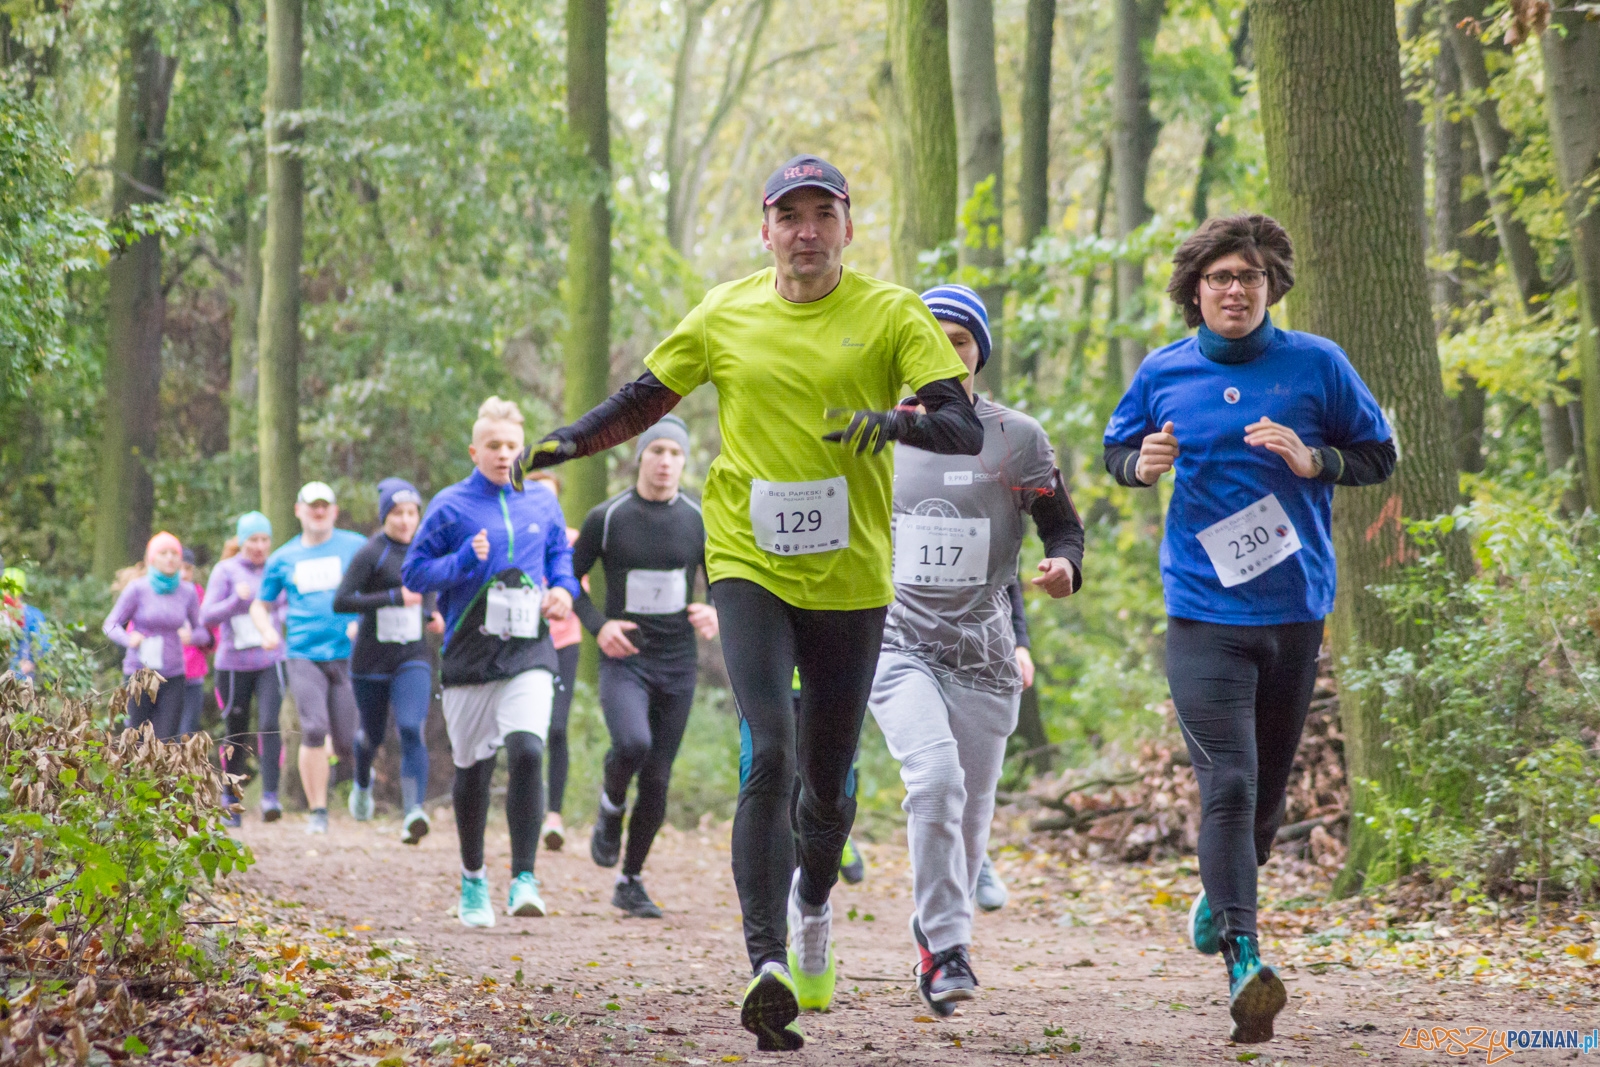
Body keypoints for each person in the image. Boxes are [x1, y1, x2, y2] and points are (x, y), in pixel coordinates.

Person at [515, 154, 982, 1051]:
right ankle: (765, 961)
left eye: (823, 214)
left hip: (850, 576)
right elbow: (646, 397)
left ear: (848, 225)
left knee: (830, 786)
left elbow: (961, 423)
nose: (806, 231)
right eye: (789, 216)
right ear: (764, 228)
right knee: (769, 750)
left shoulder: (892, 314)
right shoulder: (727, 310)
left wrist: (898, 422)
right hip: (747, 559)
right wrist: (570, 440)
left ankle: (812, 905)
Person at [1102, 214, 1396, 1044]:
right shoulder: (1164, 371)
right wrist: (1139, 465)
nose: (1236, 290)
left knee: (1263, 796)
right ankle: (1245, 958)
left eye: (1250, 277)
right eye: (1221, 278)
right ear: (1196, 291)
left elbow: (1378, 454)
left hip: (1295, 609)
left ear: (1271, 288)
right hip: (1202, 612)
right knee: (1226, 783)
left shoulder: (1317, 365)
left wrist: (1316, 460)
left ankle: (1222, 894)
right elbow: (1117, 450)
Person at [867, 284, 1084, 1017]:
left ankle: (932, 931)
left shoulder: (1016, 437)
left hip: (986, 655)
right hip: (897, 645)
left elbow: (1064, 529)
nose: (944, 350)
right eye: (928, 337)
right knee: (932, 780)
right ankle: (950, 946)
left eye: (958, 340)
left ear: (977, 354)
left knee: (968, 817)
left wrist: (1063, 567)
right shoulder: (880, 433)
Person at [401, 397, 580, 928]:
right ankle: (473, 877)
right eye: (495, 446)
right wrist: (462, 562)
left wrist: (564, 593)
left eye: (512, 446)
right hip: (468, 652)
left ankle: (524, 877)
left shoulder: (542, 504)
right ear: (475, 450)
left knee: (528, 748)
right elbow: (414, 574)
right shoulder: (451, 506)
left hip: (529, 648)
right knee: (473, 770)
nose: (505, 455)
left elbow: (560, 562)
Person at [570, 414, 718, 918]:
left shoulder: (698, 519)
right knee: (632, 743)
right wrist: (598, 626)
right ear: (641, 459)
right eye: (657, 451)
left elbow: (721, 577)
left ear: (683, 462)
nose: (665, 462)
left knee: (658, 777)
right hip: (624, 659)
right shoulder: (607, 518)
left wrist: (714, 609)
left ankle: (630, 879)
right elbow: (567, 578)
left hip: (677, 662)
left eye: (675, 454)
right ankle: (610, 807)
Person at [251, 482, 367, 835]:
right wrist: (266, 630)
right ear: (299, 510)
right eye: (312, 506)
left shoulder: (356, 547)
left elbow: (379, 586)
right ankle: (318, 811)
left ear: (333, 511)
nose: (318, 512)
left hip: (347, 655)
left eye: (325, 506)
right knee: (314, 728)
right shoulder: (283, 558)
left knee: (348, 740)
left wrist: (363, 623)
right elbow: (261, 603)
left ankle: (360, 783)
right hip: (302, 653)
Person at [334, 478, 445, 842]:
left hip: (412, 656)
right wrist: (393, 598)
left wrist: (430, 613)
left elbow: (427, 589)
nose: (405, 520)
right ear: (385, 516)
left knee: (412, 728)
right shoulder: (371, 553)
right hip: (370, 660)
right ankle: (362, 783)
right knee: (371, 735)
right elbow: (342, 601)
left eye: (412, 512)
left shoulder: (425, 549)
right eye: (397, 513)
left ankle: (413, 811)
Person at [203, 512, 288, 823]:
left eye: (265, 539)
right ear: (241, 541)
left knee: (269, 723)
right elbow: (206, 616)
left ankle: (270, 797)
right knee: (236, 730)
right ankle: (231, 800)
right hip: (233, 665)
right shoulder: (226, 570)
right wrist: (234, 603)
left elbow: (290, 607)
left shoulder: (277, 568)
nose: (260, 546)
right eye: (253, 539)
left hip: (271, 661)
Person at [103, 532, 211, 741]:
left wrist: (191, 637)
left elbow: (203, 633)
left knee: (165, 738)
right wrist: (128, 639)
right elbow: (109, 625)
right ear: (151, 558)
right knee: (136, 737)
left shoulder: (187, 592)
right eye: (163, 553)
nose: (170, 558)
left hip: (173, 675)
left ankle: (159, 775)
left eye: (174, 553)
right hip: (139, 673)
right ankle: (135, 774)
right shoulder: (138, 589)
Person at [525, 469, 582, 854]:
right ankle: (527, 808)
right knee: (527, 733)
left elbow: (580, 591)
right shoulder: (518, 538)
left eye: (552, 497)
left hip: (564, 643)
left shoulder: (573, 541)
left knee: (557, 728)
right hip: (522, 643)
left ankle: (555, 816)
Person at [178, 548, 215, 738]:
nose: (184, 574)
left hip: (193, 676)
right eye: (180, 568)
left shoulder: (200, 595)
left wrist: (193, 638)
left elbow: (212, 637)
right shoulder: (151, 593)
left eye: (189, 569)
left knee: (186, 734)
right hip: (159, 678)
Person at [3, 565, 50, 685]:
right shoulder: (34, 615)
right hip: (23, 682)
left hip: (20, 681)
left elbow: (42, 645)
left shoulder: (32, 615)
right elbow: (43, 646)